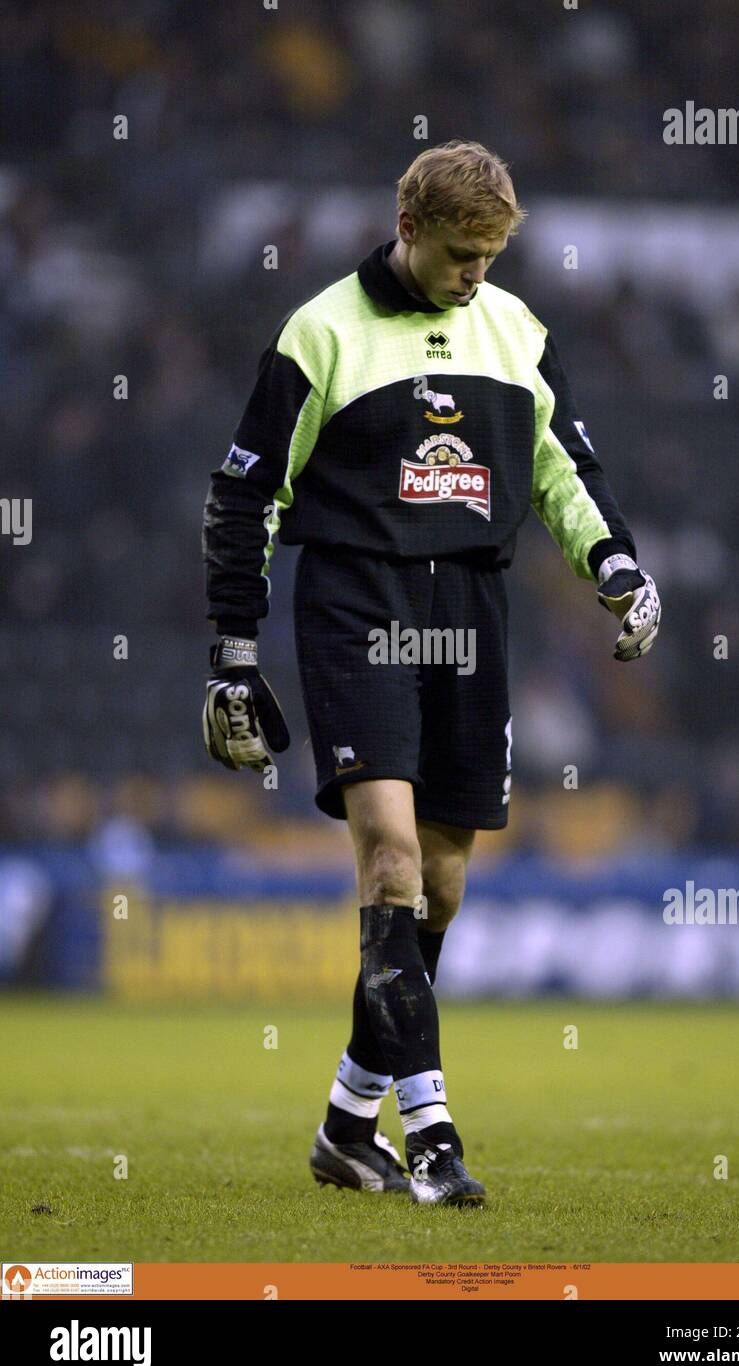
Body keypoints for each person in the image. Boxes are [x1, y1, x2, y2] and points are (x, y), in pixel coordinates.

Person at [201, 140, 661, 1206]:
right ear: (407, 228)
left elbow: (560, 466)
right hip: (358, 602)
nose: (476, 274)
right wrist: (232, 649)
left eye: (492, 256)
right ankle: (435, 1136)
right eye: (461, 253)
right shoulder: (320, 330)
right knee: (393, 865)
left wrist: (614, 562)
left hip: (471, 611)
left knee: (439, 889)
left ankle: (345, 1121)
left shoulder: (515, 330)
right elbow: (244, 497)